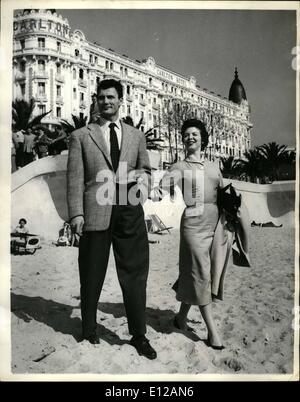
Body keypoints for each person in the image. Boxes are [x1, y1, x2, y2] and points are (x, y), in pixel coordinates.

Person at [67, 79, 157, 359]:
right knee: (91, 272)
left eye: (112, 97)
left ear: (121, 101)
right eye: (102, 97)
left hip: (129, 210)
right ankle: (89, 329)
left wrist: (140, 183)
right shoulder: (82, 136)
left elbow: (147, 171)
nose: (107, 101)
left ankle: (139, 335)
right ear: (96, 100)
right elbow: (74, 179)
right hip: (96, 210)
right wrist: (76, 214)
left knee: (134, 272)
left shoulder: (136, 136)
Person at [153, 119, 234, 350]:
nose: (190, 137)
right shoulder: (179, 167)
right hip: (193, 225)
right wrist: (150, 189)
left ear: (203, 139)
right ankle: (212, 332)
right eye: (186, 134)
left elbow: (223, 193)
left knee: (202, 273)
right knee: (201, 274)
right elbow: (161, 190)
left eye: (195, 134)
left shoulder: (214, 166)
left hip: (215, 223)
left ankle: (180, 318)